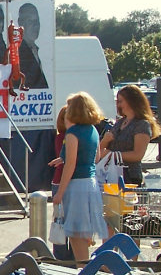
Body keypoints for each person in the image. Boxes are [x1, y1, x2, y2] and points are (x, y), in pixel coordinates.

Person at [51, 92, 107, 263]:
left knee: (75, 233)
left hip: (76, 185)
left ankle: (83, 268)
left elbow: (70, 165)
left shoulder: (72, 133)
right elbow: (96, 158)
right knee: (83, 232)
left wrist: (59, 193)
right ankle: (84, 266)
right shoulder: (93, 130)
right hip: (91, 183)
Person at [98, 85, 161, 186]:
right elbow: (99, 151)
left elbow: (138, 155)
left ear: (132, 101)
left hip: (130, 177)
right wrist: (105, 140)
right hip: (110, 174)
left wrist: (113, 155)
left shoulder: (142, 124)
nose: (118, 104)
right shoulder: (120, 122)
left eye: (121, 101)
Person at [48, 105, 72, 260]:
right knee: (60, 221)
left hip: (70, 181)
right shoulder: (62, 137)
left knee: (72, 220)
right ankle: (61, 256)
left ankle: (73, 256)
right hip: (59, 181)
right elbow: (63, 160)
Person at [17, 3, 48, 88]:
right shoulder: (19, 53)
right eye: (30, 21)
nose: (35, 26)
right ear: (20, 23)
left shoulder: (34, 49)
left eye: (37, 21)